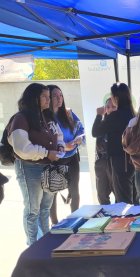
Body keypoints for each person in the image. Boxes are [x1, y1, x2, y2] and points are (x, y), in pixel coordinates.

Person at [8, 83, 65, 245]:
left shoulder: (46, 116)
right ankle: (33, 246)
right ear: (34, 99)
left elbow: (58, 134)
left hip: (48, 168)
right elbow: (22, 148)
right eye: (45, 97)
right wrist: (47, 153)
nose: (49, 100)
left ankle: (45, 243)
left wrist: (59, 145)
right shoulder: (21, 118)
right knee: (33, 209)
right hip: (29, 168)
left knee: (45, 208)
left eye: (49, 97)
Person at [92, 83, 135, 204]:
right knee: (133, 196)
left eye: (112, 96)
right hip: (135, 160)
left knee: (123, 199)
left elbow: (95, 132)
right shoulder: (133, 114)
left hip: (120, 160)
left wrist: (99, 115)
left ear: (116, 98)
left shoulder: (116, 116)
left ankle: (126, 221)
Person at [48, 85, 85, 224]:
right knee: (53, 193)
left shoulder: (68, 113)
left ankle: (74, 220)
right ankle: (55, 223)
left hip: (72, 157)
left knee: (74, 190)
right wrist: (63, 146)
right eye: (55, 96)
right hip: (55, 159)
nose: (59, 99)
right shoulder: (45, 117)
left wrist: (80, 138)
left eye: (61, 95)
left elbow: (82, 129)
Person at [92, 97, 117, 204]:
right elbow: (94, 133)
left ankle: (120, 220)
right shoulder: (102, 123)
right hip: (101, 162)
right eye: (108, 107)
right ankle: (106, 218)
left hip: (115, 162)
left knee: (119, 195)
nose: (110, 109)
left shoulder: (121, 122)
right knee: (102, 194)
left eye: (114, 107)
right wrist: (98, 116)